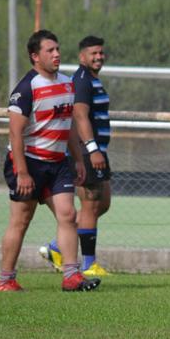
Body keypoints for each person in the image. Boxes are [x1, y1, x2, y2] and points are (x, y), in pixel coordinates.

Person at [0, 30, 99, 292]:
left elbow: (70, 126)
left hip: (58, 163)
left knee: (68, 214)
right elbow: (15, 134)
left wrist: (77, 159)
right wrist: (22, 172)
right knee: (21, 221)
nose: (56, 54)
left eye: (57, 49)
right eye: (49, 50)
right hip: (28, 163)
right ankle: (6, 280)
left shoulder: (67, 83)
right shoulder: (26, 88)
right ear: (35, 56)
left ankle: (71, 276)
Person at [40, 36, 113, 278]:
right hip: (87, 151)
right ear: (82, 57)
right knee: (91, 204)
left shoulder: (92, 79)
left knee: (102, 204)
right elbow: (80, 116)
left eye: (101, 53)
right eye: (93, 53)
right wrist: (91, 149)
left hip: (98, 151)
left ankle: (56, 246)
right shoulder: (82, 80)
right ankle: (88, 264)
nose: (98, 57)